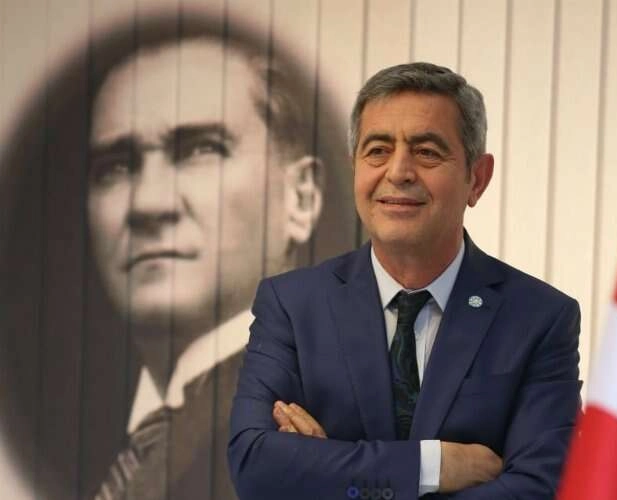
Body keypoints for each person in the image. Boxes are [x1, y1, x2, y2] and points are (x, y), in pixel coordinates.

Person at [0, 13, 352, 500]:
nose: (148, 204)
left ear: (301, 199)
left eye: (201, 149)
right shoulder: (65, 446)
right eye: (115, 167)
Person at [228, 62, 582, 499]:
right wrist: (431, 466)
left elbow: (538, 488)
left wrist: (328, 472)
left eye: (427, 152)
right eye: (377, 150)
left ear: (477, 178)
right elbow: (256, 466)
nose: (398, 172)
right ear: (355, 169)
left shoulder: (540, 318)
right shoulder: (292, 305)